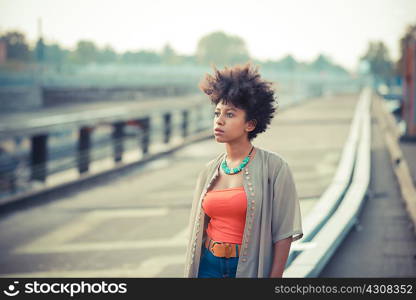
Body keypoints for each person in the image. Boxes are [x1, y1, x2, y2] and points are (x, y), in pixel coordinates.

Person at [183, 61, 303, 278]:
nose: (219, 121)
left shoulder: (274, 168)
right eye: (217, 113)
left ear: (250, 124)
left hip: (248, 266)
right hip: (208, 265)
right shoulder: (209, 170)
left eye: (230, 115)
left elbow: (283, 234)